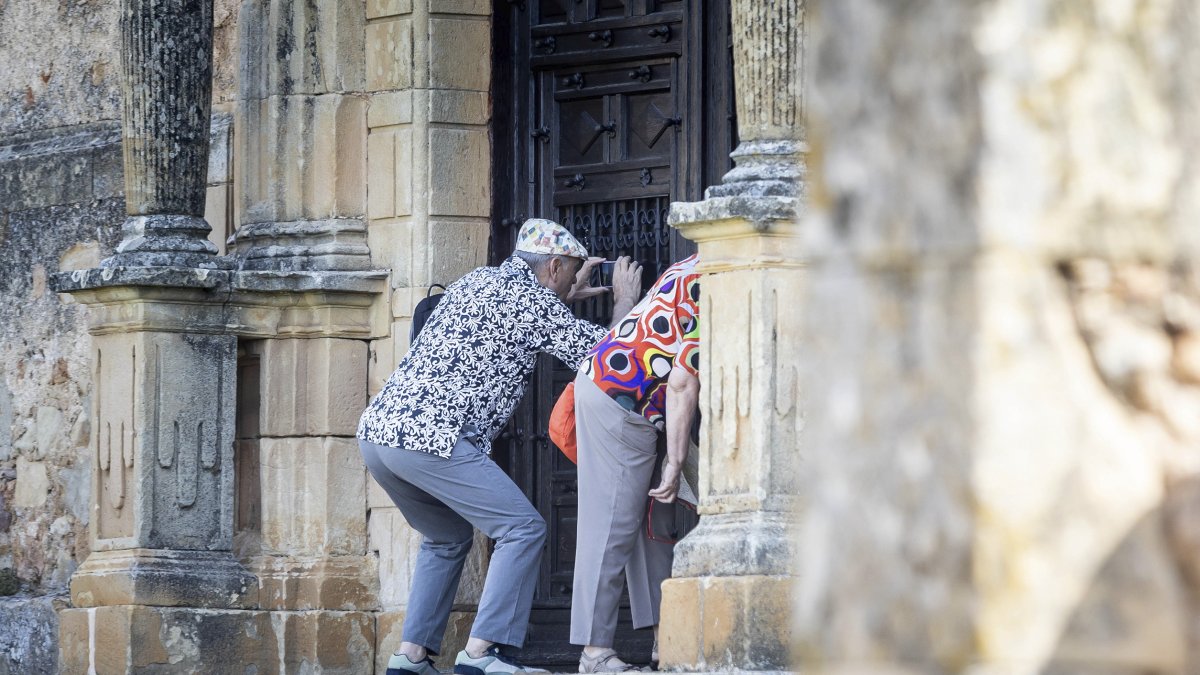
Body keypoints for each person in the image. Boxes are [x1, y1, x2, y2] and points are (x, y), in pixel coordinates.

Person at [357, 218, 642, 675]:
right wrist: (625, 301)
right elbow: (608, 360)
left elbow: (518, 324)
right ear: (552, 267)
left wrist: (559, 299)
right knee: (523, 528)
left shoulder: (480, 278)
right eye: (570, 273)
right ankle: (483, 653)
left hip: (379, 436)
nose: (573, 282)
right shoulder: (531, 299)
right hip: (434, 438)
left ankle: (410, 657)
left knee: (447, 538)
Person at [569, 254, 702, 672]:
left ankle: (665, 642)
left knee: (648, 522)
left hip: (631, 397)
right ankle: (594, 653)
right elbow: (682, 381)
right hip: (621, 398)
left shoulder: (698, 263)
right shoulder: (717, 282)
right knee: (612, 527)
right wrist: (676, 462)